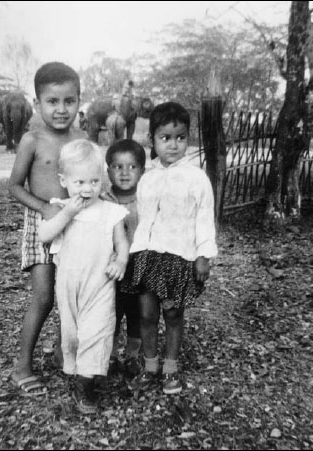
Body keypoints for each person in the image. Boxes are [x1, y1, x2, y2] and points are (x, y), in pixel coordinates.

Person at [128, 102, 218, 395]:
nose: (173, 145)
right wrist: (132, 253)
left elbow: (204, 217)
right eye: (165, 138)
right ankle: (150, 366)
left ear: (188, 139)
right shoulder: (148, 178)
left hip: (180, 258)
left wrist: (203, 255)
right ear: (152, 139)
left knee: (174, 314)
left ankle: (170, 368)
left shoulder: (196, 178)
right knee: (147, 313)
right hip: (148, 256)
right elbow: (143, 218)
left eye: (180, 137)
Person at [9, 62, 85, 395]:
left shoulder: (82, 139)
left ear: (79, 101)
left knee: (72, 293)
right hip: (40, 223)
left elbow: (89, 180)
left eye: (69, 101)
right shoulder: (32, 140)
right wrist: (43, 207)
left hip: (74, 224)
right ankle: (22, 366)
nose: (61, 109)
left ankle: (60, 352)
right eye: (52, 101)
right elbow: (13, 186)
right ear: (38, 102)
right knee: (43, 297)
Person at [38, 139, 129, 413]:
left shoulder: (111, 212)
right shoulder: (60, 208)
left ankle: (85, 387)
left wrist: (121, 259)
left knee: (97, 331)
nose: (87, 189)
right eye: (79, 183)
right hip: (68, 286)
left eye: (94, 181)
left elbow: (121, 242)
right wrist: (68, 212)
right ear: (64, 181)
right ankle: (74, 367)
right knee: (73, 334)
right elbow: (44, 235)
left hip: (100, 285)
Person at [101, 139, 146, 378]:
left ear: (142, 170)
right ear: (108, 170)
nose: (125, 172)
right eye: (118, 167)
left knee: (137, 313)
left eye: (132, 167)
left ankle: (132, 355)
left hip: (140, 267)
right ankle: (109, 355)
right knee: (112, 311)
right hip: (113, 269)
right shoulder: (103, 199)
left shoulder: (146, 199)